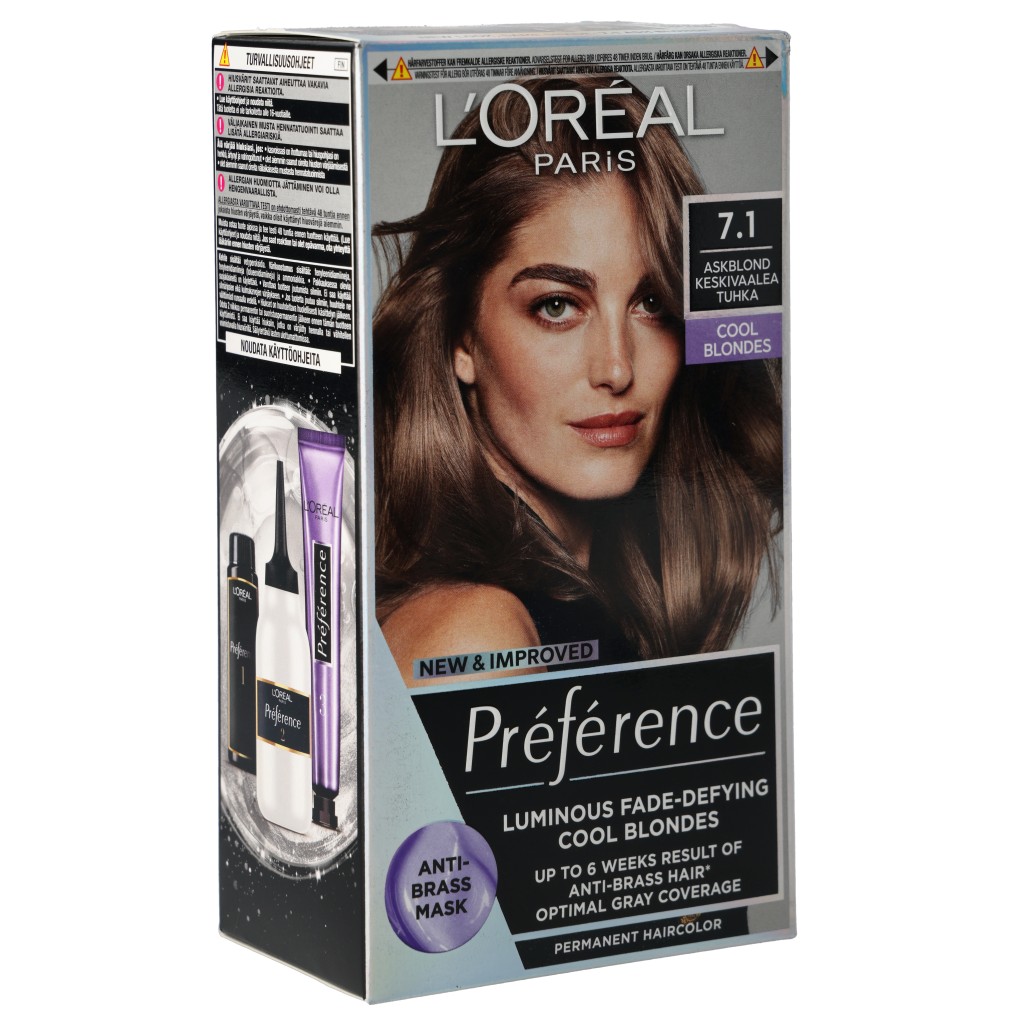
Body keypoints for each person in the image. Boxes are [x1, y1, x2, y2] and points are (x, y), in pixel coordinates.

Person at [372, 75, 782, 686]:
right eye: (558, 306)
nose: (617, 369)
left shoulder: (586, 605)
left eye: (652, 303)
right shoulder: (476, 632)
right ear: (461, 338)